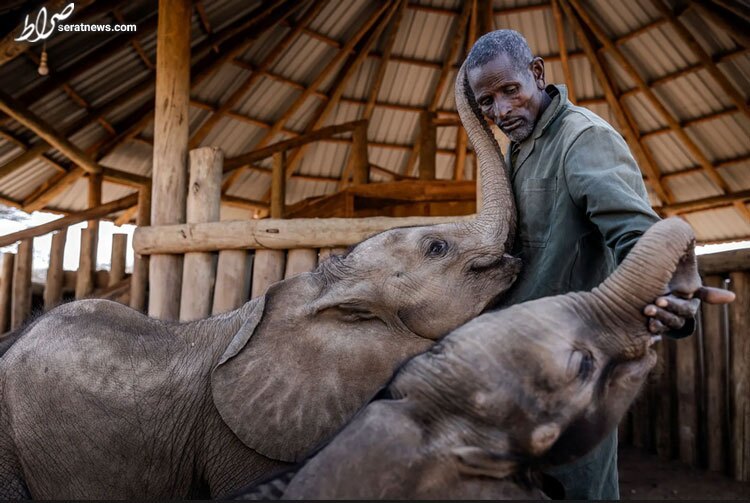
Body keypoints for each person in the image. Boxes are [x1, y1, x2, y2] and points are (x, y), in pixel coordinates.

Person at [464, 29, 735, 500]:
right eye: (486, 101)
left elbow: (637, 238)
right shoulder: (518, 145)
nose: (501, 110)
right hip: (518, 361)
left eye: (510, 90)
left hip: (574, 371)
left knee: (573, 487)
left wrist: (669, 294)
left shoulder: (584, 139)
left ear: (537, 73)